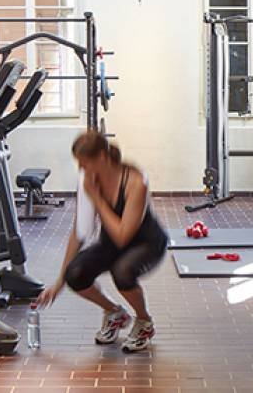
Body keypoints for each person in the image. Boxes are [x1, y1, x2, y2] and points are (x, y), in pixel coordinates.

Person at [37, 131, 168, 352]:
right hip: (113, 244)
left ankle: (144, 322)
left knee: (122, 272)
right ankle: (114, 312)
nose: (81, 170)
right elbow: (80, 232)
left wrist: (96, 197)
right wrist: (59, 282)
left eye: (85, 164)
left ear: (102, 158)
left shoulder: (136, 181)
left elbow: (122, 235)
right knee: (75, 274)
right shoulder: (88, 180)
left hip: (146, 244)